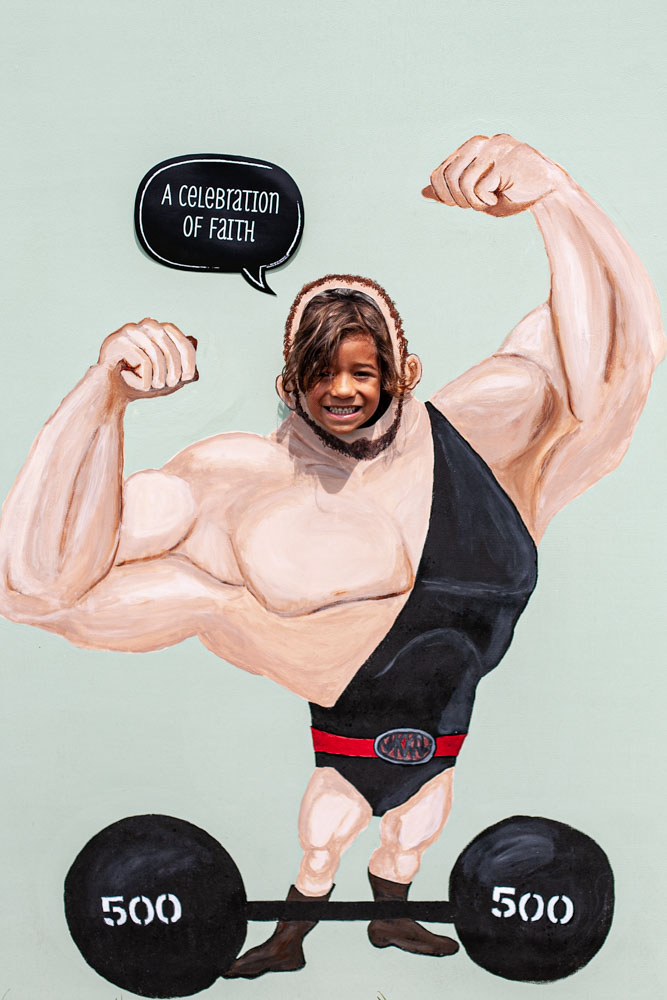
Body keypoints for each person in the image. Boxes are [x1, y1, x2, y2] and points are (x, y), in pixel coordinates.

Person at [0, 134, 663, 978]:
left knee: (412, 832)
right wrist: (102, 397)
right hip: (349, 710)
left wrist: (555, 197)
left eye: (360, 371)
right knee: (324, 841)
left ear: (402, 369)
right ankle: (289, 939)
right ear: (290, 384)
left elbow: (621, 371)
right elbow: (35, 588)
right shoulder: (232, 493)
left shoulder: (484, 428)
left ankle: (389, 919)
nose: (341, 392)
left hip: (441, 723)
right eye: (319, 373)